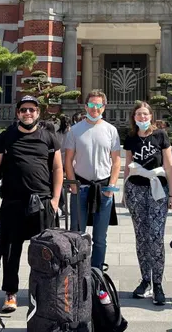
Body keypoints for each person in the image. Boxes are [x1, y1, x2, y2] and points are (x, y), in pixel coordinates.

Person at [0, 96, 63, 314]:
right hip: (13, 202)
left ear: (38, 113)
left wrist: (56, 200)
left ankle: (44, 292)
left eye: (31, 110)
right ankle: (10, 293)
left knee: (45, 252)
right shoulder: (6, 137)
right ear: (17, 113)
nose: (27, 113)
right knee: (10, 250)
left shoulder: (49, 137)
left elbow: (57, 168)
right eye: (23, 110)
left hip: (42, 202)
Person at [123, 101, 172, 306]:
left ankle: (158, 283)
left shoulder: (160, 135)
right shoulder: (130, 138)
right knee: (141, 237)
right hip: (135, 190)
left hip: (157, 190)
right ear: (134, 117)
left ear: (151, 116)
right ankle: (145, 279)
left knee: (155, 237)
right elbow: (128, 166)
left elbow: (169, 166)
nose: (142, 117)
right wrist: (124, 192)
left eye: (145, 114)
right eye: (139, 114)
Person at [64, 90, 121, 269]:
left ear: (104, 107)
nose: (94, 108)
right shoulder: (75, 130)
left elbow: (116, 161)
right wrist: (73, 184)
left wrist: (111, 186)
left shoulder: (111, 130)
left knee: (100, 237)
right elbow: (68, 160)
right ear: (85, 106)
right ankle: (77, 271)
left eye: (98, 105)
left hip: (103, 187)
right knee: (77, 233)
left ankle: (97, 272)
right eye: (91, 105)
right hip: (80, 186)